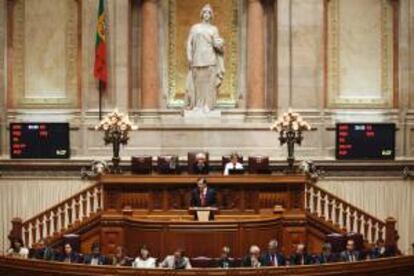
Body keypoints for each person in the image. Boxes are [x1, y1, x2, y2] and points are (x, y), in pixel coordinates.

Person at [185, 4, 225, 112]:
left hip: (210, 58)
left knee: (209, 84)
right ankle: (198, 105)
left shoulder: (214, 29)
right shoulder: (195, 28)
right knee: (198, 83)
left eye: (209, 13)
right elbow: (189, 42)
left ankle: (208, 105)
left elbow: (217, 44)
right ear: (201, 14)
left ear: (211, 15)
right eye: (205, 12)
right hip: (197, 58)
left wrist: (220, 44)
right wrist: (189, 56)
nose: (206, 14)